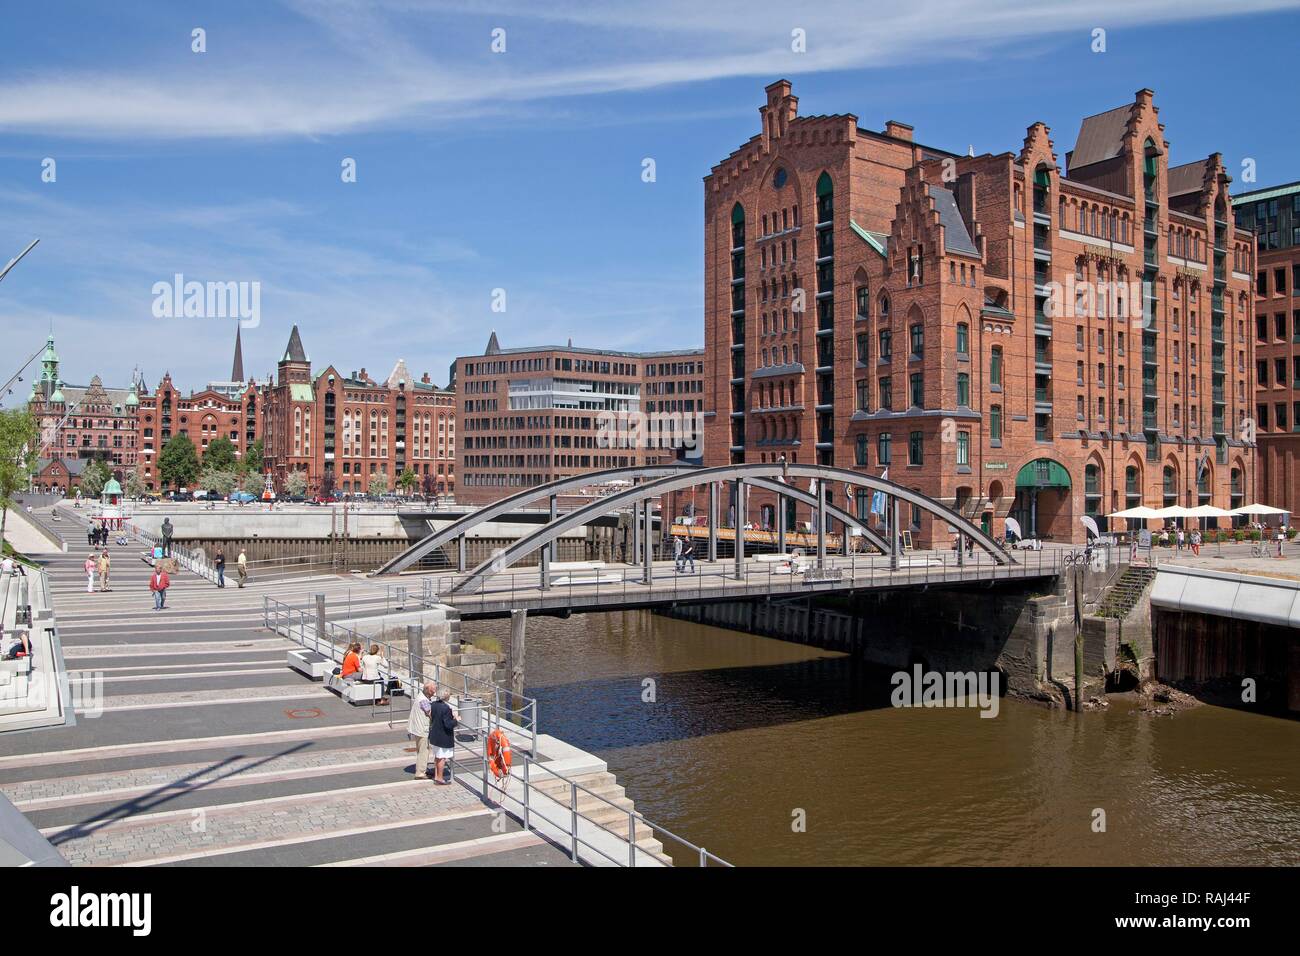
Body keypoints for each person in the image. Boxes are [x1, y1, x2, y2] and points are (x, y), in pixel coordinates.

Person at [428, 686, 459, 785]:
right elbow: (448, 724)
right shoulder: (446, 708)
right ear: (446, 696)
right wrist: (456, 720)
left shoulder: (434, 704)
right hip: (443, 736)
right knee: (442, 758)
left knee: (437, 756)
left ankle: (437, 776)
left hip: (435, 735)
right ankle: (440, 778)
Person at [407, 682, 435, 779]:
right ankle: (420, 772)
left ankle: (422, 769)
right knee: (424, 751)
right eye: (432, 691)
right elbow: (431, 714)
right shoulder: (423, 700)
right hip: (422, 729)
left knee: (421, 750)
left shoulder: (421, 696)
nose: (433, 693)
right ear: (427, 690)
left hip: (417, 728)